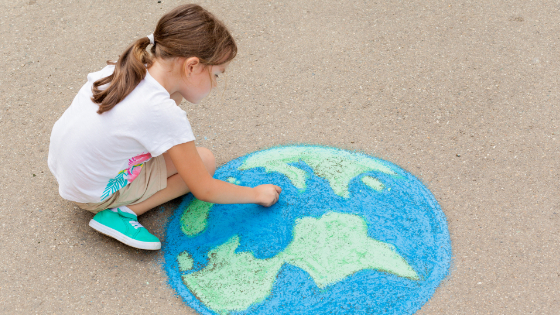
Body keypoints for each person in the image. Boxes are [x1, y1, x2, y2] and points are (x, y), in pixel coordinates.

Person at [48, 4, 282, 251]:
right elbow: (204, 188)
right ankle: (122, 212)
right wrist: (256, 194)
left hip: (68, 173)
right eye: (216, 75)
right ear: (192, 66)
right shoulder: (163, 113)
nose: (215, 84)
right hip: (94, 194)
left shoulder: (125, 67)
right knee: (204, 161)